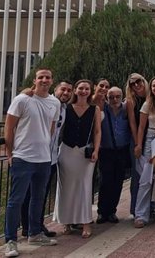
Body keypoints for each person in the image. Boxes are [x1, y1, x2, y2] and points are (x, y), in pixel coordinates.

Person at [4, 68, 61, 257]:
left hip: (44, 159)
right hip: (23, 157)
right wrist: (10, 153)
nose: (44, 80)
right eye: (41, 77)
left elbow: (51, 129)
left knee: (38, 199)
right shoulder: (22, 100)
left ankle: (34, 233)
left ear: (52, 81)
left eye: (48, 77)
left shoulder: (55, 102)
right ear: (35, 80)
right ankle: (10, 240)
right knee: (16, 200)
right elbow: (9, 128)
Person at [20, 80, 72, 239]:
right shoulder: (42, 102)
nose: (66, 93)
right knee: (27, 194)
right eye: (63, 89)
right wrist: (27, 91)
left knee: (40, 194)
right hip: (33, 156)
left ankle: (37, 224)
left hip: (51, 158)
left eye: (69, 91)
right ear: (55, 89)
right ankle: (26, 226)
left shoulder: (63, 108)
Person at [54, 79, 102, 239]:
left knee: (84, 187)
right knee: (65, 188)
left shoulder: (94, 109)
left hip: (85, 153)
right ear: (75, 90)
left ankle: (86, 222)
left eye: (86, 89)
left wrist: (96, 150)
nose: (83, 91)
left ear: (90, 91)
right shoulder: (66, 108)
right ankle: (66, 222)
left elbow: (97, 131)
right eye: (80, 88)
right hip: (66, 151)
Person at [133, 76, 155, 227]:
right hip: (150, 140)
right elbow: (141, 127)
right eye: (153, 86)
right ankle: (140, 214)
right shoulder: (148, 104)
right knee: (146, 178)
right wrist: (139, 145)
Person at [97, 86, 130, 224]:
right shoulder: (102, 109)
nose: (114, 99)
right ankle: (102, 212)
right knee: (105, 181)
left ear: (122, 96)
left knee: (118, 182)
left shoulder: (126, 110)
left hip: (122, 150)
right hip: (106, 150)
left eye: (117, 96)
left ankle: (112, 211)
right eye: (111, 97)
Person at [126, 73, 148, 219]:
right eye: (133, 83)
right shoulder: (130, 101)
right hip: (137, 140)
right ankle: (135, 208)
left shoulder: (150, 97)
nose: (136, 85)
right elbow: (133, 124)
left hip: (152, 138)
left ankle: (150, 207)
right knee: (138, 175)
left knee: (151, 175)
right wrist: (137, 143)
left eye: (138, 81)